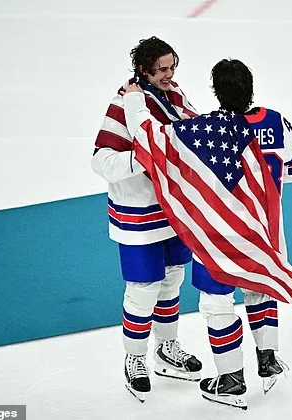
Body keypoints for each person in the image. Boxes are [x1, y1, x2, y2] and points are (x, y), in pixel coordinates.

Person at [121, 58, 292, 410]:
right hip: (266, 232)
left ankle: (231, 380)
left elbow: (150, 137)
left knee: (216, 303)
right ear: (250, 87)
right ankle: (268, 357)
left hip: (219, 238)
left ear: (217, 92)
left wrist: (133, 98)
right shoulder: (276, 121)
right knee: (260, 288)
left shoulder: (206, 130)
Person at [91, 36, 203, 403]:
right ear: (143, 70)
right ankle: (134, 358)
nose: (170, 75)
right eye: (163, 69)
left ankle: (166, 347)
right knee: (142, 291)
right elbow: (101, 161)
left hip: (173, 209)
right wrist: (145, 158)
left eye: (173, 67)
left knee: (172, 281)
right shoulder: (123, 104)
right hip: (138, 215)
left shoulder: (173, 96)